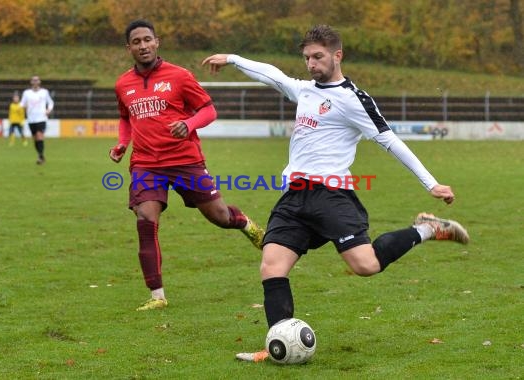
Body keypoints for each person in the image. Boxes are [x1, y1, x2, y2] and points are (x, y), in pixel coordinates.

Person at [202, 24, 470, 362]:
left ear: (337, 55)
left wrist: (430, 183)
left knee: (366, 265)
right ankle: (278, 344)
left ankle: (427, 228)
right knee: (272, 267)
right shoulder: (304, 90)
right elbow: (273, 76)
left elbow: (390, 140)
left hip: (332, 196)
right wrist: (233, 58)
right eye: (307, 58)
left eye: (318, 57)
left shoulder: (353, 99)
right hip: (294, 198)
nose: (311, 64)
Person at [109, 19, 265, 311]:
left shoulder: (179, 76)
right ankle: (157, 296)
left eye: (147, 40)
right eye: (136, 42)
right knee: (145, 219)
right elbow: (125, 118)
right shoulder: (122, 84)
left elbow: (208, 110)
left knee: (219, 216)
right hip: (146, 164)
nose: (142, 46)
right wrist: (122, 143)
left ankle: (244, 223)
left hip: (185, 160)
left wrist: (189, 123)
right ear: (128, 47)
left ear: (157, 42)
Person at [20, 75, 54, 164]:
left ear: (39, 82)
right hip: (31, 119)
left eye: (37, 80)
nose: (35, 82)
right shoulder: (26, 93)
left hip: (42, 118)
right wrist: (24, 106)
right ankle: (41, 156)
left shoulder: (44, 92)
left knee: (39, 135)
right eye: (33, 80)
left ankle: (40, 156)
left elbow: (50, 102)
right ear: (31, 82)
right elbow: (21, 104)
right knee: (35, 138)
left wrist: (48, 110)